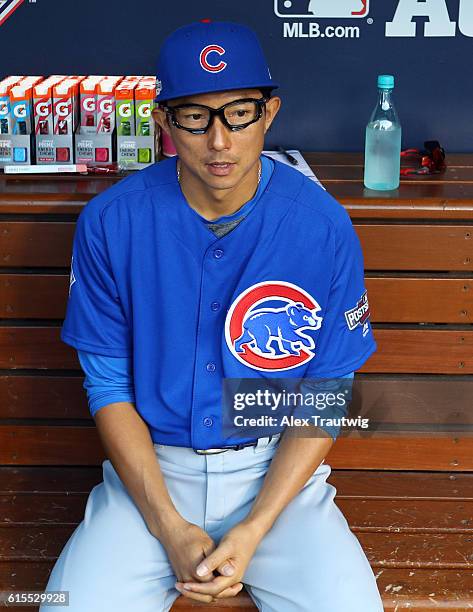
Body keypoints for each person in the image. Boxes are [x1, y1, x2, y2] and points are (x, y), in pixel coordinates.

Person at [41, 20, 384, 612]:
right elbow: (109, 387)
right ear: (164, 123)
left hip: (275, 480)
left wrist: (253, 530)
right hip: (150, 483)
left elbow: (327, 392)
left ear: (269, 113)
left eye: (239, 112)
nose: (220, 141)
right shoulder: (112, 222)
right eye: (196, 116)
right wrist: (170, 528)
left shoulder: (321, 224)